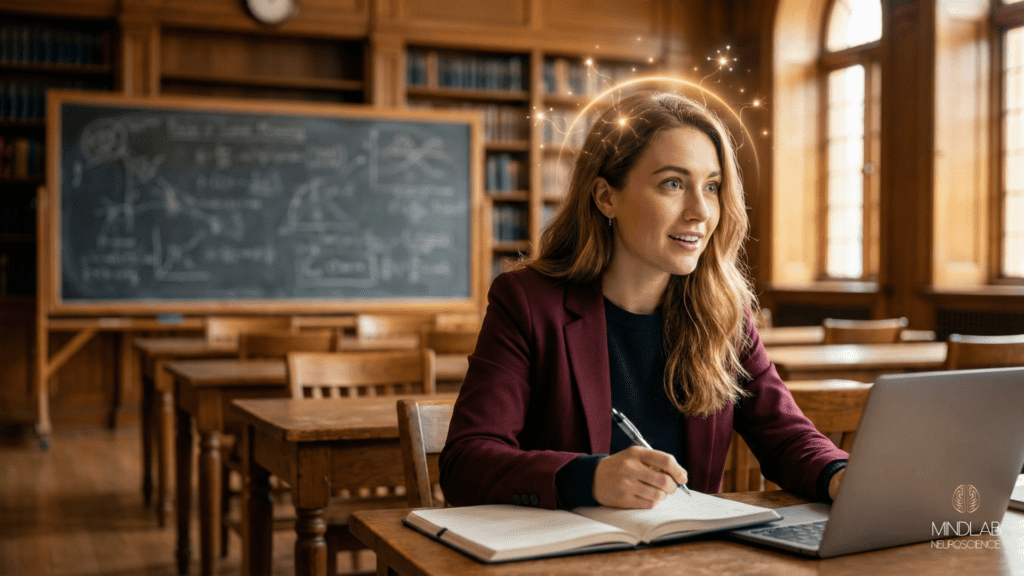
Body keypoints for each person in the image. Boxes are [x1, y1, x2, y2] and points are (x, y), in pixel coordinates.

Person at [439, 91, 848, 510]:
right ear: (605, 197)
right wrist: (591, 477)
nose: (700, 212)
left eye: (711, 187)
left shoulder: (724, 312)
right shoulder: (527, 302)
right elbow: (465, 464)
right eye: (673, 183)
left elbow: (786, 435)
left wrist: (839, 475)